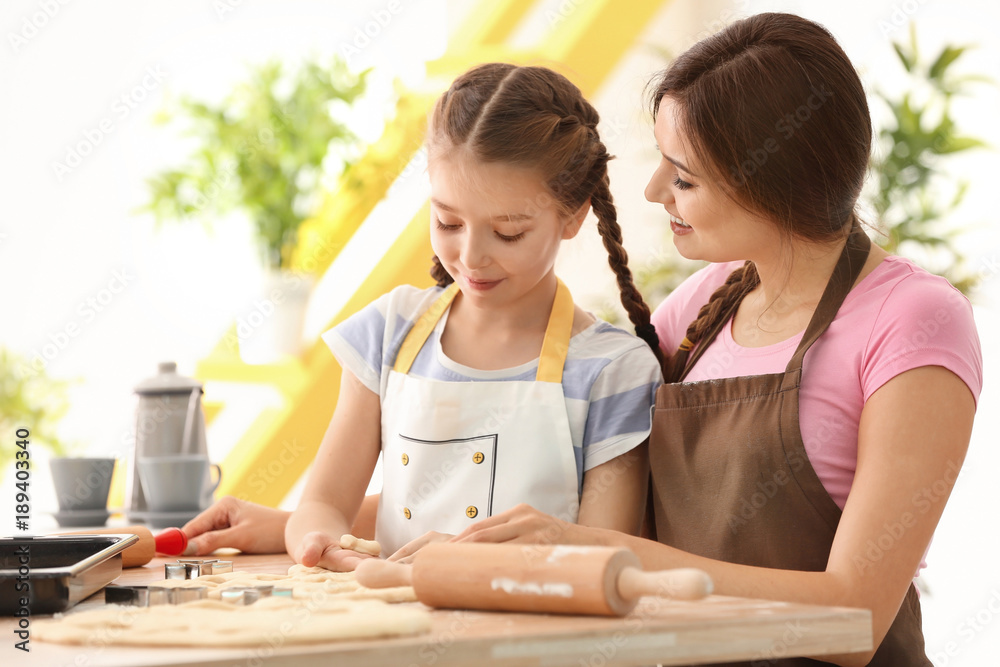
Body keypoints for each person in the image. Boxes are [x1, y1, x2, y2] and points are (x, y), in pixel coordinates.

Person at [446, 12, 982, 667]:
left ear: (773, 182)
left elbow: (857, 617)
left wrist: (612, 555)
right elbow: (566, 477)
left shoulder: (914, 320)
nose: (650, 192)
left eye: (683, 178)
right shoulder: (699, 304)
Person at [269, 62, 663, 571]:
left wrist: (468, 568)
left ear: (573, 216)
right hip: (389, 628)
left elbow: (603, 558)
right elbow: (323, 504)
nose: (472, 257)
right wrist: (319, 540)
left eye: (509, 232)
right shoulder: (389, 330)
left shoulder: (613, 371)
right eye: (448, 221)